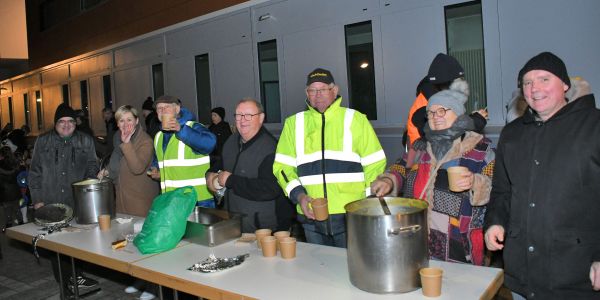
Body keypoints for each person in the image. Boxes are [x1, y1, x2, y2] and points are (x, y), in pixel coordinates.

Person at [484, 52, 600, 299]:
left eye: (544, 79)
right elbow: (503, 190)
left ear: (565, 85)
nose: (534, 88)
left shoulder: (594, 127)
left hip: (576, 274)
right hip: (522, 274)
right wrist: (495, 222)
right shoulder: (512, 134)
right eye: (527, 82)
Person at [371, 81, 495, 266]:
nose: (436, 117)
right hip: (418, 238)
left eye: (443, 111)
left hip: (459, 244)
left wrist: (475, 182)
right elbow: (401, 167)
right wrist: (389, 180)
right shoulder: (420, 147)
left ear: (459, 114)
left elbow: (496, 185)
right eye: (431, 112)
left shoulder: (480, 149)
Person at [273, 68, 386, 247]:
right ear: (306, 93)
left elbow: (375, 165)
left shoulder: (356, 119)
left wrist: (365, 204)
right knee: (319, 268)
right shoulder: (294, 124)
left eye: (323, 89)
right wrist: (299, 196)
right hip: (310, 214)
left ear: (335, 90)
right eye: (312, 90)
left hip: (350, 215)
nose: (317, 95)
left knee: (351, 269)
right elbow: (282, 168)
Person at [28, 103, 99, 295]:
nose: (66, 125)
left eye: (70, 122)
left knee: (78, 243)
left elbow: (93, 165)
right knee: (57, 248)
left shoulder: (85, 141)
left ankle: (76, 278)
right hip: (51, 203)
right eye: (61, 122)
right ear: (55, 123)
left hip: (77, 202)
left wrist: (88, 189)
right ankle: (65, 286)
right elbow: (34, 172)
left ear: (76, 123)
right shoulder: (43, 141)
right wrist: (38, 200)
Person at [206, 98, 294, 233]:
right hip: (233, 224)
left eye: (248, 115)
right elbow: (218, 166)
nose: (242, 120)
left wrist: (231, 181)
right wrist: (210, 176)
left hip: (264, 229)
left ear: (261, 118)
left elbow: (269, 189)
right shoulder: (231, 141)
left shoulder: (270, 148)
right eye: (238, 115)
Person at [406, 54, 488, 167]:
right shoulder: (433, 98)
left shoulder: (441, 94)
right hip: (420, 150)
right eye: (457, 81)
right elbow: (441, 130)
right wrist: (474, 121)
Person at [149, 95, 216, 207]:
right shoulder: (159, 136)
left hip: (197, 201)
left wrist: (181, 130)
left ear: (177, 109)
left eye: (167, 107)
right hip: (171, 201)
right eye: (159, 108)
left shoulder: (193, 127)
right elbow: (161, 160)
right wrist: (155, 168)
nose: (162, 111)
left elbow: (210, 144)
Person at [99, 105, 159, 217]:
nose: (125, 124)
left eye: (129, 120)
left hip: (140, 203)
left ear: (136, 121)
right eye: (121, 120)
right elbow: (118, 160)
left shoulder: (145, 141)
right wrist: (107, 171)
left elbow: (137, 168)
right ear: (117, 124)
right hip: (121, 201)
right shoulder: (118, 138)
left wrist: (127, 144)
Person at [0, 146, 21, 228]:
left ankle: (9, 226)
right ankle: (21, 224)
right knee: (17, 209)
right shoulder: (15, 163)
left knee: (7, 210)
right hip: (15, 189)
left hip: (4, 190)